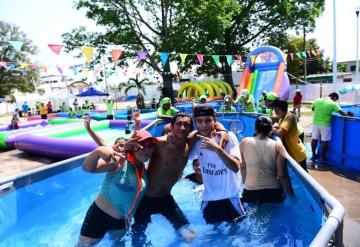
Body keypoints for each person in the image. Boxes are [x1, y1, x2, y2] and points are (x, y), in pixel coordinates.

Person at [77, 129, 157, 246]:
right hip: (99, 217)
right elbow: (88, 168)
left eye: (149, 146)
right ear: (133, 147)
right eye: (141, 146)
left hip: (122, 223)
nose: (146, 150)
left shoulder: (144, 172)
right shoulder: (120, 161)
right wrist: (98, 151)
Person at [131, 113, 197, 244]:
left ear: (190, 129)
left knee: (189, 234)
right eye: (179, 124)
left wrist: (223, 131)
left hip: (166, 198)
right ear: (171, 127)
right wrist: (137, 126)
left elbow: (209, 128)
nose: (182, 127)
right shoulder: (160, 143)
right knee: (138, 236)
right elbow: (137, 145)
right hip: (146, 198)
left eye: (186, 125)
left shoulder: (190, 142)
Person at [190, 104, 246, 224]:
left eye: (208, 120)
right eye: (199, 121)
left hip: (231, 197)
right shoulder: (195, 141)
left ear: (215, 120)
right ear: (195, 122)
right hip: (209, 199)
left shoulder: (228, 137)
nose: (203, 125)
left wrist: (218, 149)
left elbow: (235, 167)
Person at [240, 116, 295, 203]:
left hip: (250, 192)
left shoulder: (244, 142)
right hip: (273, 192)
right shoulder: (278, 146)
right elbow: (282, 175)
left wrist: (244, 183)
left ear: (255, 128)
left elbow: (243, 167)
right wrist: (292, 195)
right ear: (270, 130)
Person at [272, 100, 308, 172]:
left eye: (274, 108)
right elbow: (277, 124)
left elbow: (280, 132)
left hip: (298, 153)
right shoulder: (283, 117)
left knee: (304, 176)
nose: (274, 110)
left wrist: (269, 128)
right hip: (293, 153)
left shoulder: (289, 116)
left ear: (277, 108)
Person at [311, 92, 347, 161]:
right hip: (325, 125)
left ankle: (313, 154)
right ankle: (322, 157)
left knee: (314, 139)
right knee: (325, 141)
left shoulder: (317, 100)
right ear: (335, 98)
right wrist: (349, 115)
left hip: (315, 123)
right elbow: (342, 113)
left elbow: (313, 109)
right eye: (336, 100)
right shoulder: (333, 103)